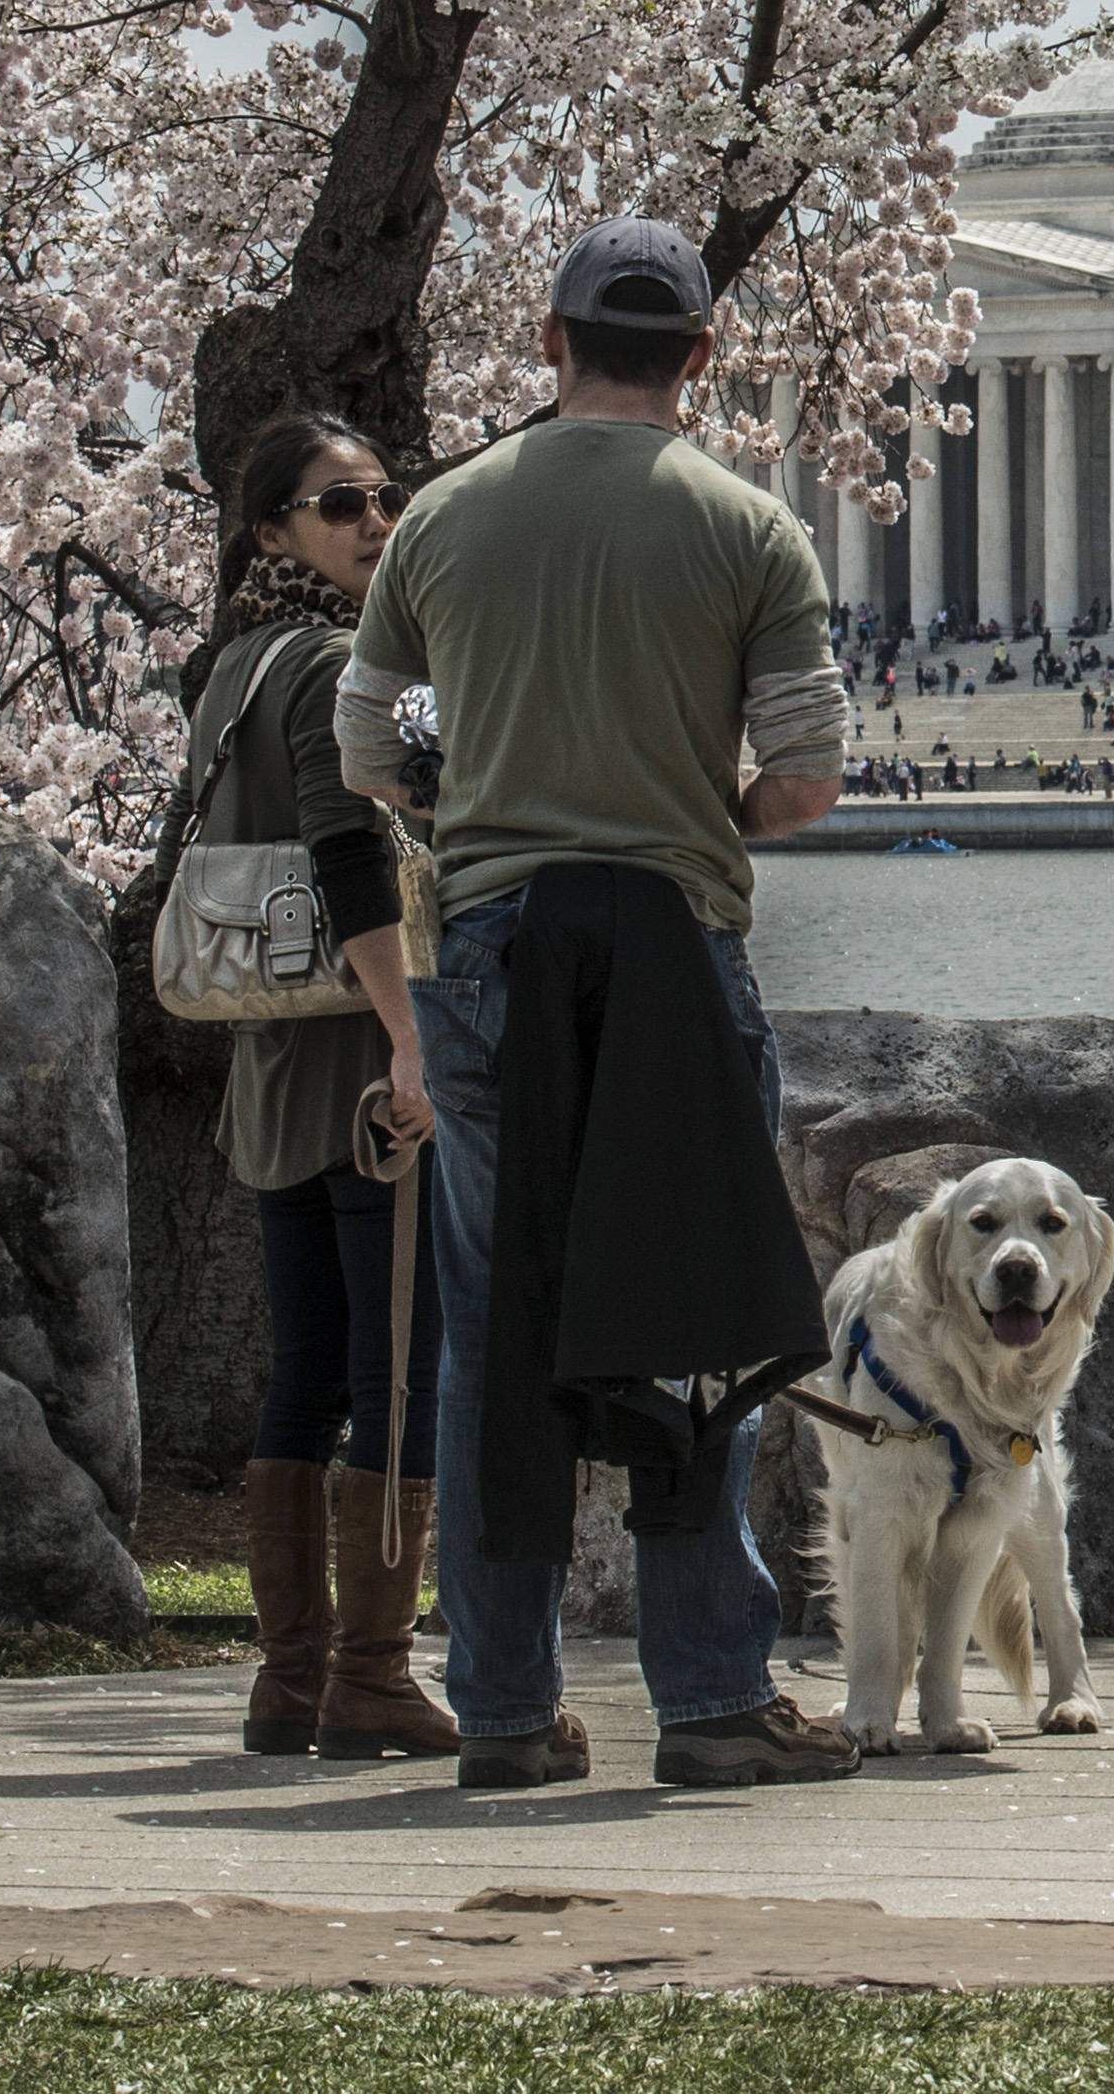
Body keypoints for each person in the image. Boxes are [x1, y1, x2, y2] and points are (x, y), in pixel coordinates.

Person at [331, 218, 854, 1794]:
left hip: (491, 938)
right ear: (700, 356)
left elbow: (364, 747)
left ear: (548, 343)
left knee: (491, 1324)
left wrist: (470, 801)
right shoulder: (749, 523)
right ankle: (706, 1694)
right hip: (675, 945)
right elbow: (809, 774)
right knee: (693, 1312)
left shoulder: (439, 516)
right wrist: (704, 806)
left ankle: (502, 1705)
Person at [178, 409, 454, 1762]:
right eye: (340, 503)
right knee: (396, 1370)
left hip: (271, 1064)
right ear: (272, 526)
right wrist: (413, 1041)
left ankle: (289, 1676)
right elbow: (350, 857)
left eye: (386, 495)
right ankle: (374, 1670)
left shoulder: (234, 660)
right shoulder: (336, 660)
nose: (376, 520)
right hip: (357, 1063)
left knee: (302, 1374)